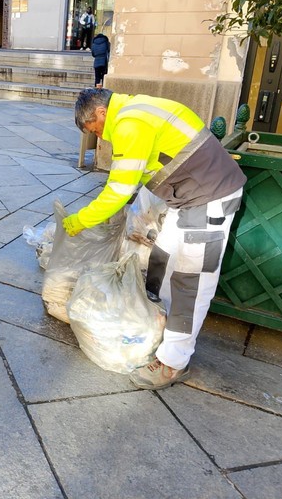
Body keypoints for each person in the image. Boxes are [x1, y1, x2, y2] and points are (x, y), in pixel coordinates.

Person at [65, 88, 246, 390]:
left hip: (208, 199)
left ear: (99, 113)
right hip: (187, 199)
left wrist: (80, 220)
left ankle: (174, 363)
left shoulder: (129, 121)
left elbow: (118, 190)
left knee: (191, 282)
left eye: (95, 131)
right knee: (161, 260)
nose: (100, 138)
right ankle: (158, 328)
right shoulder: (137, 110)